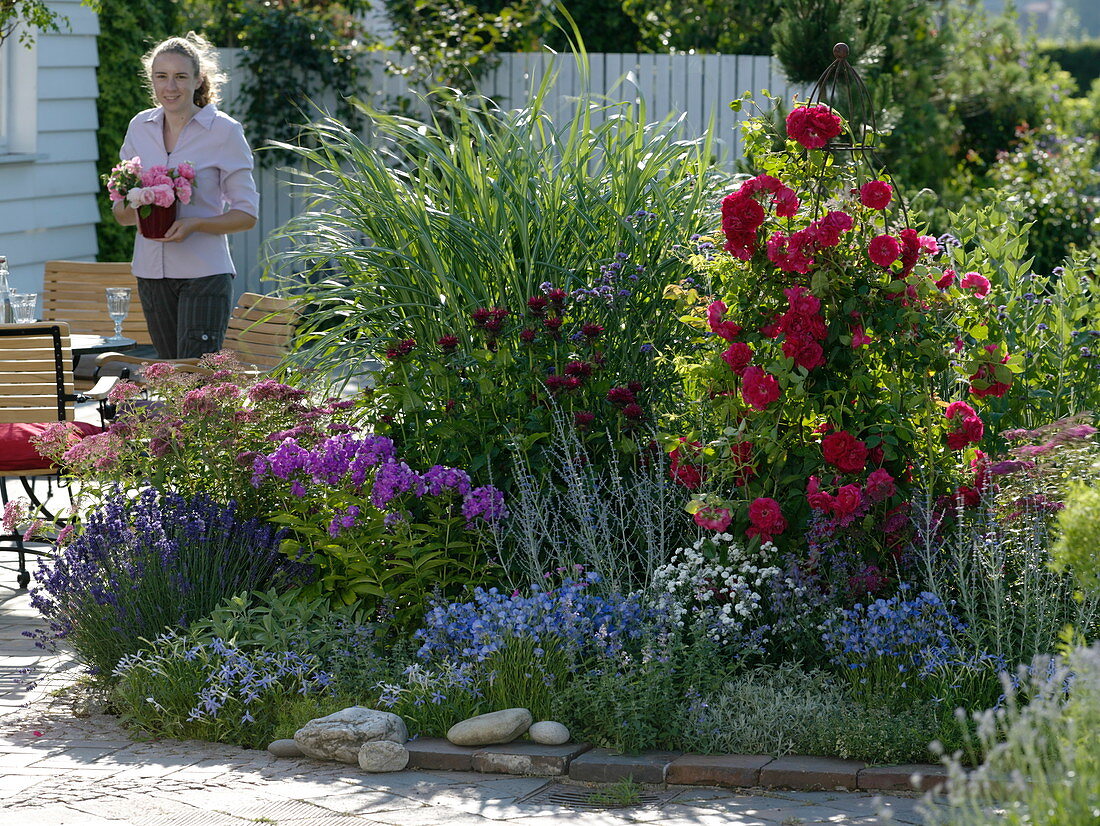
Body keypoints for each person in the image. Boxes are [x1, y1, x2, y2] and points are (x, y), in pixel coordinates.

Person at [111, 32, 259, 359]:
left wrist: (194, 224)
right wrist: (137, 203)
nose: (171, 87)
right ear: (151, 81)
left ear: (197, 80)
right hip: (151, 274)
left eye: (180, 77)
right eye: (161, 77)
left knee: (195, 384)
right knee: (169, 379)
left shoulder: (224, 131)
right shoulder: (139, 127)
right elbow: (120, 213)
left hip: (204, 274)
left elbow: (247, 215)